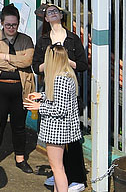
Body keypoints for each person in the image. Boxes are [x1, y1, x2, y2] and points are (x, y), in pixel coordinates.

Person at [32, 5, 89, 192]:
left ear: (61, 16)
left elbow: (82, 65)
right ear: (46, 19)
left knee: (68, 145)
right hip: (50, 86)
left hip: (64, 88)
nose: (53, 13)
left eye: (56, 10)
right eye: (49, 12)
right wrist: (50, 64)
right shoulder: (43, 40)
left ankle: (75, 177)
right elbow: (35, 66)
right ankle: (61, 176)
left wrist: (63, 61)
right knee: (56, 157)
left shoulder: (72, 38)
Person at [0, 4, 35, 174]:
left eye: (14, 25)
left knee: (19, 125)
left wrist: (6, 57)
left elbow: (28, 62)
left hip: (21, 90)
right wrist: (16, 62)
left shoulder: (26, 40)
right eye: (8, 25)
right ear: (1, 23)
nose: (11, 28)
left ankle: (20, 158)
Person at [24, 45, 82, 192]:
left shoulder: (59, 79)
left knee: (57, 168)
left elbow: (60, 109)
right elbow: (60, 99)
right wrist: (41, 95)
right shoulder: (66, 75)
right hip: (61, 129)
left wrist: (39, 107)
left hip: (57, 130)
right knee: (58, 167)